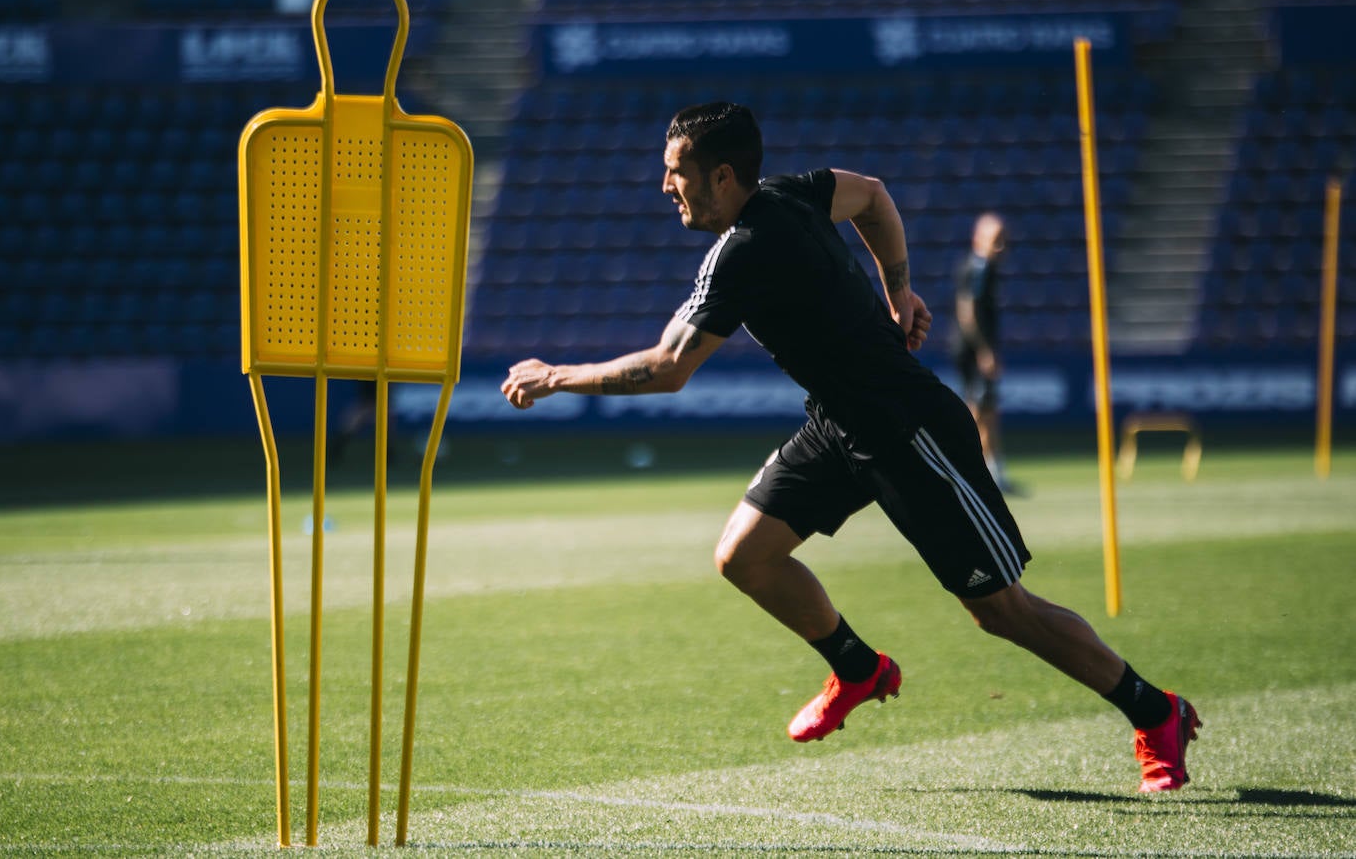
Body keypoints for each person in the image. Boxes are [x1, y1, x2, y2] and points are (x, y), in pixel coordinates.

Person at [500, 102, 1199, 792]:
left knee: (1002, 611)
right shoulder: (791, 194)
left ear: (722, 176)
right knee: (744, 556)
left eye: (675, 171)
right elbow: (873, 196)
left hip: (910, 431)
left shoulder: (741, 252)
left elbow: (668, 367)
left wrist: (555, 376)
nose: (665, 185)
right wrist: (901, 292)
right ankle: (858, 668)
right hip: (840, 424)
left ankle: (1156, 712)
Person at [952, 212, 1019, 493]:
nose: (1001, 247)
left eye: (1004, 240)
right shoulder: (978, 268)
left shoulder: (984, 268)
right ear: (978, 239)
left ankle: (994, 472)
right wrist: (984, 350)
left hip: (975, 350)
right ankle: (978, 474)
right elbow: (967, 312)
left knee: (987, 410)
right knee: (979, 413)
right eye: (996, 240)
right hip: (973, 352)